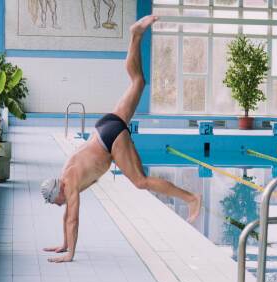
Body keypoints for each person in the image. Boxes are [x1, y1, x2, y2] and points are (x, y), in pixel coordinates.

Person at [40, 15, 202, 263]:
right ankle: (135, 35)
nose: (58, 205)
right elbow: (66, 216)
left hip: (110, 140)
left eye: (55, 202)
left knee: (141, 181)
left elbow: (73, 218)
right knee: (138, 81)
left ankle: (192, 198)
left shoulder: (69, 183)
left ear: (58, 191)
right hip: (105, 125)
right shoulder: (65, 176)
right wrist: (63, 244)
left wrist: (70, 254)